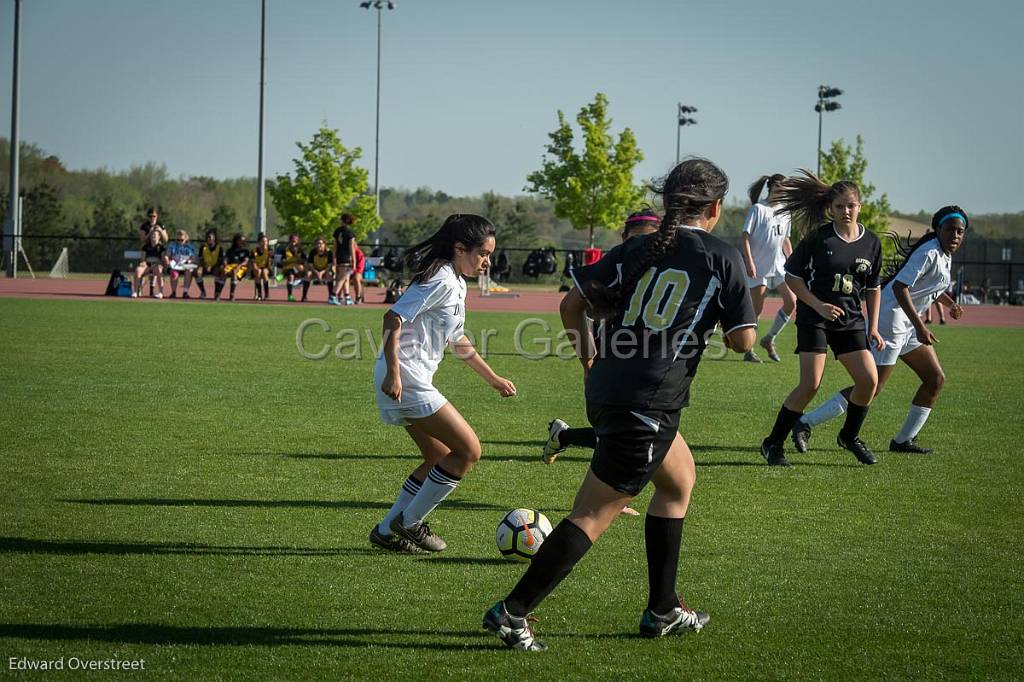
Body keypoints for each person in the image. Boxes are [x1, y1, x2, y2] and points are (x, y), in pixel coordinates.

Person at [483, 158, 757, 651]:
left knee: (679, 480)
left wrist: (591, 358)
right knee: (593, 512)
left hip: (609, 386)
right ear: (715, 207)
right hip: (650, 397)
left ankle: (663, 609)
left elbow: (571, 305)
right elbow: (743, 341)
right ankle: (512, 612)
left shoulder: (637, 247)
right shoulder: (720, 257)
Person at [371, 214, 516, 554]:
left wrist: (492, 378)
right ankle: (409, 523)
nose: (487, 261)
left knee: (438, 455)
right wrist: (394, 371)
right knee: (468, 451)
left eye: (490, 254)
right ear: (459, 248)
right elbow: (392, 317)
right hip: (406, 378)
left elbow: (457, 339)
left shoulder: (455, 279)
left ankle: (385, 531)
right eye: (482, 253)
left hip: (407, 377)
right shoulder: (442, 277)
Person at [792, 206, 968, 454]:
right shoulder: (928, 252)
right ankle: (804, 422)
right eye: (950, 230)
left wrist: (950, 304)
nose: (955, 236)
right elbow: (900, 288)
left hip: (906, 322)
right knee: (871, 387)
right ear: (938, 230)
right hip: (891, 320)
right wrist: (920, 326)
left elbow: (928, 287)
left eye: (960, 231)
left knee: (935, 379)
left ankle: (903, 441)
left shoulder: (944, 255)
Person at [542, 208, 664, 518]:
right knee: (628, 435)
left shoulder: (636, 261)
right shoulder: (624, 261)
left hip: (634, 366)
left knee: (618, 435)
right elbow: (573, 306)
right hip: (620, 364)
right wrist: (590, 360)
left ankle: (565, 438)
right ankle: (602, 502)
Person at [759, 171, 884, 468]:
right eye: (839, 206)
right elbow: (792, 276)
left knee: (869, 380)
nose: (845, 211)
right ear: (830, 208)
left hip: (850, 320)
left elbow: (873, 287)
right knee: (810, 385)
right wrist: (818, 305)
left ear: (860, 206)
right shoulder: (818, 237)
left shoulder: (872, 242)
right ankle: (772, 443)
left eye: (851, 206)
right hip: (814, 317)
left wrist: (874, 326)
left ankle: (849, 437)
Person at [740, 174, 797, 363]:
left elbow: (785, 239)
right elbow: (745, 237)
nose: (782, 194)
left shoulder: (786, 212)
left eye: (784, 192)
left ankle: (769, 339)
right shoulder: (758, 209)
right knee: (756, 310)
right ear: (771, 189)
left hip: (780, 267)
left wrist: (792, 261)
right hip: (760, 268)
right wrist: (749, 262)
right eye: (779, 190)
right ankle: (749, 350)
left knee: (791, 301)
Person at [330, 214, 358, 306]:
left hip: (338, 257)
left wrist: (334, 258)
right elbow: (352, 248)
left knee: (346, 278)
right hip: (346, 257)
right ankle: (333, 296)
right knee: (342, 278)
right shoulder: (350, 233)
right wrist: (354, 261)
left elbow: (334, 247)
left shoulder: (337, 231)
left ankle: (347, 297)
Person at [133, 227, 167, 298]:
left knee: (159, 269)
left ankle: (160, 293)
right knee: (138, 270)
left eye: (155, 235)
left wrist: (159, 263)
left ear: (159, 236)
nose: (153, 236)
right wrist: (143, 262)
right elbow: (142, 258)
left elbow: (163, 259)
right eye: (152, 235)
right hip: (147, 266)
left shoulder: (162, 247)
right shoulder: (145, 247)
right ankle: (135, 292)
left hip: (156, 266)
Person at [166, 229, 198, 299]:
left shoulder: (190, 247)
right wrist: (168, 263)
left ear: (186, 238)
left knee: (189, 271)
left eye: (181, 240)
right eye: (178, 240)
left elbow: (194, 257)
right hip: (176, 264)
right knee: (173, 272)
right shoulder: (172, 245)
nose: (180, 242)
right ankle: (173, 292)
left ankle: (185, 292)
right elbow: (167, 256)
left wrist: (189, 261)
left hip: (186, 264)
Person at [195, 229, 224, 300]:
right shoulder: (203, 247)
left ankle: (217, 293)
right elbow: (201, 259)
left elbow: (220, 261)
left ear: (214, 238)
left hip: (215, 266)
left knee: (220, 271)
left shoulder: (219, 247)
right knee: (196, 272)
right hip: (205, 265)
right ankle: (203, 292)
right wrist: (202, 266)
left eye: (210, 237)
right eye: (208, 237)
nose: (209, 239)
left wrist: (211, 266)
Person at [303, 237, 334, 302]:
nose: (319, 245)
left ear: (324, 244)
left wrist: (322, 272)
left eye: (321, 243)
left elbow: (329, 265)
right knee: (308, 274)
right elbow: (310, 264)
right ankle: (304, 296)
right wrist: (316, 272)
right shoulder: (313, 252)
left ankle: (331, 297)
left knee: (329, 275)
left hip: (325, 271)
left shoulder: (329, 252)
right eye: (317, 243)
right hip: (315, 270)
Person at [222, 233, 250, 301]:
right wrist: (225, 265)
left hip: (241, 268)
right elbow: (226, 259)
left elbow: (246, 261)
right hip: (231, 267)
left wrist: (239, 266)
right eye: (241, 240)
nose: (243, 242)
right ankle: (218, 293)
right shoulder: (230, 250)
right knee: (223, 271)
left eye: (244, 240)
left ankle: (232, 294)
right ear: (237, 241)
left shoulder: (245, 251)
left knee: (234, 271)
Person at [279, 234, 306, 302]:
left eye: (295, 241)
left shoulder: (300, 250)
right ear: (290, 241)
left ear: (298, 241)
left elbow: (304, 260)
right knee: (290, 275)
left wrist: (298, 260)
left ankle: (282, 276)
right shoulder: (285, 250)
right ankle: (290, 296)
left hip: (298, 270)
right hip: (288, 268)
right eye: (292, 241)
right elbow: (282, 261)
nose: (294, 242)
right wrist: (288, 261)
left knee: (299, 268)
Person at [249, 233, 272, 301]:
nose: (264, 243)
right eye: (263, 241)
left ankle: (267, 294)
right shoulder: (254, 251)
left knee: (264, 272)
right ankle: (259, 294)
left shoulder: (269, 251)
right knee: (258, 271)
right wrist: (256, 268)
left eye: (266, 241)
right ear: (259, 242)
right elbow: (253, 263)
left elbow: (270, 264)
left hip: (266, 269)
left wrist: (270, 257)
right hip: (257, 269)